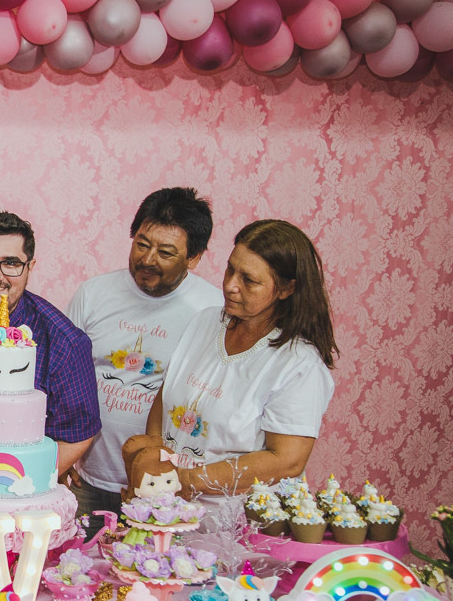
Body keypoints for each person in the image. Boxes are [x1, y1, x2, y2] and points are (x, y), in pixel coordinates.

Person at [129, 219, 338, 511]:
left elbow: (287, 461)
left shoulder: (298, 364)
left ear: (286, 289)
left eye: (248, 280)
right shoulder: (205, 322)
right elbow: (166, 397)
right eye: (230, 269)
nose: (230, 285)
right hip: (169, 508)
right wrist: (154, 462)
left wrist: (186, 480)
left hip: (236, 519)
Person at [66, 188, 221, 533]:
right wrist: (60, 457)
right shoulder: (94, 294)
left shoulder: (213, 310)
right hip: (87, 481)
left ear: (194, 257)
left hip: (165, 491)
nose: (148, 260)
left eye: (165, 252)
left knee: (152, 566)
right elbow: (61, 377)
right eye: (141, 244)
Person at [0, 211, 100, 472]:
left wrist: (18, 485)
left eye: (11, 263)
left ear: (30, 267)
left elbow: (75, 435)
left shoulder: (64, 343)